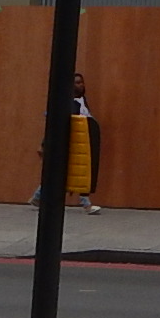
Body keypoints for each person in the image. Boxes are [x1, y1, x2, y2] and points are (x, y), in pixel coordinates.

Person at [27, 73, 103, 213]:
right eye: (76, 83)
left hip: (79, 144)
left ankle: (39, 196)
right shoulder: (65, 103)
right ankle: (39, 196)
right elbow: (54, 125)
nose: (80, 85)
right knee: (62, 172)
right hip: (65, 144)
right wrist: (44, 144)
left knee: (80, 172)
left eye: (81, 82)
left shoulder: (82, 100)